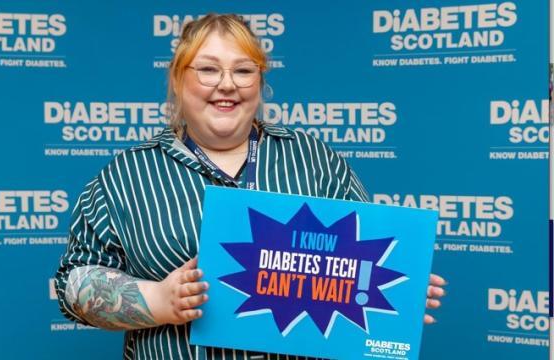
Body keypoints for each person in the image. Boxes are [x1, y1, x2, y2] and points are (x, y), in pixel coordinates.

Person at [55, 13, 446, 360]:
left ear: (260, 81)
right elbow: (73, 283)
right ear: (177, 78)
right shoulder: (128, 175)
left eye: (243, 70)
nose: (227, 84)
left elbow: (363, 261)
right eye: (207, 69)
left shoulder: (314, 159)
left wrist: (396, 288)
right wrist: (157, 300)